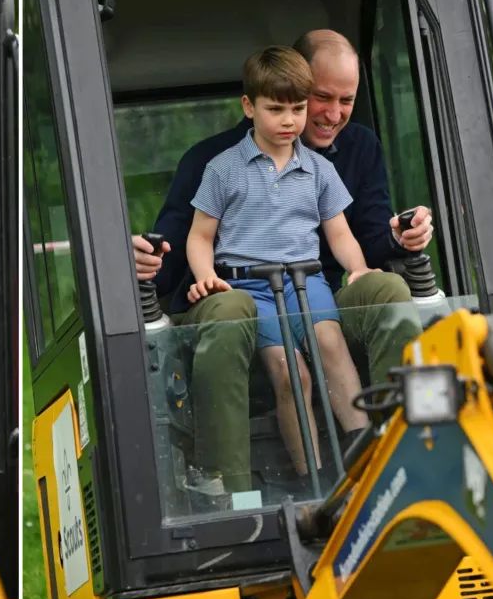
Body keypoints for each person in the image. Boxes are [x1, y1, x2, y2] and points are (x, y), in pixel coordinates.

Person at [134, 29, 430, 493]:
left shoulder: (345, 156)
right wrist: (155, 262)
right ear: (254, 104)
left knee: (385, 295)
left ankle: (392, 455)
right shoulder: (216, 163)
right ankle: (237, 487)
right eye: (318, 99)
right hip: (242, 291)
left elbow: (353, 234)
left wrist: (395, 240)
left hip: (313, 285)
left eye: (346, 100)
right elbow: (185, 244)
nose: (330, 115)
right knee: (276, 357)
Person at [185, 46, 370, 478]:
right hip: (251, 287)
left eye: (298, 109)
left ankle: (366, 456)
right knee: (291, 374)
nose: (289, 121)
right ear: (249, 107)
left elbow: (338, 232)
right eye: (276, 109)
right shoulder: (223, 169)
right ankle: (314, 477)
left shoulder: (320, 170)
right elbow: (200, 236)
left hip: (307, 280)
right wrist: (207, 277)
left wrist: (357, 269)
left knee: (331, 346)